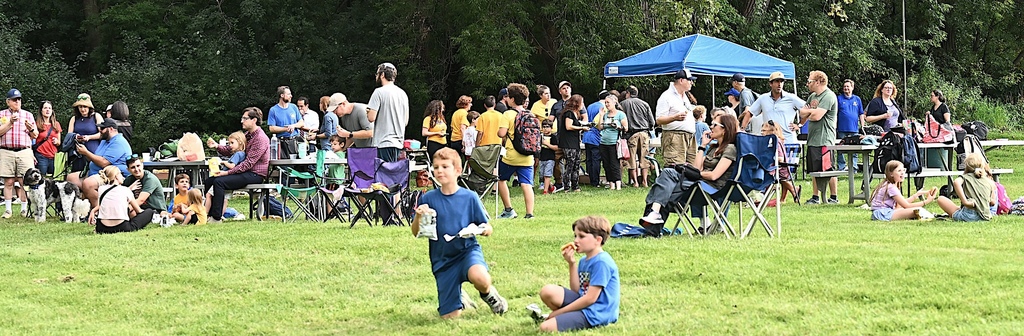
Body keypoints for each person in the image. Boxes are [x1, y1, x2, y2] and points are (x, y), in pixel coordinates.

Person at [411, 148, 508, 319]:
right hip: (442, 260)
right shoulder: (428, 199)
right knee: (450, 317)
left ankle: (489, 295)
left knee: (480, 278)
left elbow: (486, 225)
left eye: (444, 166)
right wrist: (419, 216)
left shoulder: (469, 197)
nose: (439, 170)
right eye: (436, 167)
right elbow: (416, 232)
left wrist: (485, 230)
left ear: (457, 170)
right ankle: (460, 296)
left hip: (467, 251)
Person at [640, 114, 740, 229]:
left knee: (665, 188)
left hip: (711, 187)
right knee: (668, 173)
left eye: (714, 124)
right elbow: (697, 168)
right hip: (700, 183)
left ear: (724, 129)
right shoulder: (713, 148)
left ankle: (654, 218)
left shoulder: (730, 149)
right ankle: (655, 212)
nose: (710, 127)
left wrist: (696, 174)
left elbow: (714, 176)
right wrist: (702, 146)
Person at [532, 215, 619, 332]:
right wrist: (572, 264)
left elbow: (590, 299)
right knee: (547, 291)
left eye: (581, 236)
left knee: (545, 328)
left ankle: (561, 318)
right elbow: (577, 290)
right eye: (575, 236)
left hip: (597, 313)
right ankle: (566, 317)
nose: (576, 240)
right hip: (585, 304)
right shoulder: (584, 260)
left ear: (598, 240)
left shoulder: (601, 262)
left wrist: (558, 313)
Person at [204, 107, 270, 222]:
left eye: (245, 118)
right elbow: (232, 149)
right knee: (210, 181)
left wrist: (227, 173)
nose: (241, 121)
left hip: (255, 175)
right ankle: (207, 214)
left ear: (254, 120)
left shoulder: (260, 138)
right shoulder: (247, 135)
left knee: (219, 181)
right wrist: (217, 146)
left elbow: (248, 164)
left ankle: (216, 217)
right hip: (244, 172)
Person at [67, 118, 132, 208]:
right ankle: (79, 209)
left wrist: (86, 152)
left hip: (111, 176)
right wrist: (82, 152)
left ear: (111, 129)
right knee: (71, 178)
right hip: (95, 172)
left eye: (102, 128)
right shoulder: (104, 141)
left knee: (88, 184)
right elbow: (94, 158)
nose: (100, 131)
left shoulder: (119, 142)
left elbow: (104, 163)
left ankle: (98, 211)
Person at [799, 71, 839, 205]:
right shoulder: (812, 97)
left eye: (809, 81)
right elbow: (802, 112)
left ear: (818, 82)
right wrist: (811, 111)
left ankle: (833, 197)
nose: (807, 84)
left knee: (828, 169)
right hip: (813, 139)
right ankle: (815, 197)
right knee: (814, 169)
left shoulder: (828, 96)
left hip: (825, 139)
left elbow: (816, 117)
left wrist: (810, 112)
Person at [497, 83, 536, 219]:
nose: (506, 99)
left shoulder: (507, 114)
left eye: (508, 96)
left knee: (501, 180)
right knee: (526, 184)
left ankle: (509, 210)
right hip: (527, 156)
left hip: (511, 156)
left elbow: (501, 133)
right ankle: (529, 214)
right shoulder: (529, 114)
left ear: (512, 99)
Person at [0, 88, 38, 218]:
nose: (17, 102)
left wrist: (31, 129)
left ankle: (24, 209)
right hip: (6, 150)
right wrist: (10, 122)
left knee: (25, 181)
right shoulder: (2, 115)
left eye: (19, 99)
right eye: (14, 100)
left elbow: (35, 135)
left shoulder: (28, 115)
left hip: (24, 151)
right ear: (8, 102)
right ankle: (8, 210)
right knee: (8, 181)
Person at [90, 165, 157, 234]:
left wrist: (93, 210)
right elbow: (139, 211)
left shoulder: (101, 189)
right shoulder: (126, 190)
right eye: (120, 174)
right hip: (122, 226)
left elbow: (102, 205)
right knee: (149, 212)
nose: (122, 176)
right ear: (116, 177)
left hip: (102, 227)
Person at [367, 63, 410, 162]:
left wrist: (368, 111)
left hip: (383, 142)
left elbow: (371, 118)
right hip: (399, 143)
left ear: (382, 75)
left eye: (377, 73)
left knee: (384, 175)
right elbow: (405, 121)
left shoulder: (378, 92)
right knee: (394, 175)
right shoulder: (403, 94)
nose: (376, 76)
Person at [747, 71, 806, 144]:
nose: (779, 84)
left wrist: (799, 125)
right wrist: (742, 130)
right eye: (777, 81)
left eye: (781, 82)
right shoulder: (763, 98)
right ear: (770, 84)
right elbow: (749, 113)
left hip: (787, 140)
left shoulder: (791, 98)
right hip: (768, 141)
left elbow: (808, 110)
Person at [935, 153, 997, 222]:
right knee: (958, 208)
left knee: (941, 199)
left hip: (968, 215)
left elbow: (956, 182)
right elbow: (993, 203)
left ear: (966, 166)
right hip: (985, 216)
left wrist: (965, 202)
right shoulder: (989, 182)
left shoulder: (965, 177)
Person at [869, 160, 937, 221]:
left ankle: (931, 216)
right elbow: (906, 206)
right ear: (891, 174)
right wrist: (927, 201)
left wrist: (916, 195)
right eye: (899, 171)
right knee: (918, 210)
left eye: (903, 170)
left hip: (882, 213)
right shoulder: (891, 187)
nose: (902, 173)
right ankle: (933, 217)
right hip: (883, 214)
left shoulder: (890, 184)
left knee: (913, 210)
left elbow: (901, 203)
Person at [656, 69, 698, 166]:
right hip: (675, 136)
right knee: (676, 168)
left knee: (691, 169)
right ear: (681, 80)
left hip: (690, 137)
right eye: (689, 80)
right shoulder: (666, 96)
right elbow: (659, 120)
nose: (692, 82)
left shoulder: (685, 96)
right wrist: (674, 118)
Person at [204, 131, 247, 216]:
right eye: (229, 143)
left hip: (227, 178)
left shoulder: (238, 154)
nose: (230, 145)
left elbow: (232, 166)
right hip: (232, 179)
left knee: (209, 194)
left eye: (232, 143)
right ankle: (220, 215)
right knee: (225, 199)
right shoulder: (242, 154)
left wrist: (222, 162)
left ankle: (205, 214)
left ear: (240, 142)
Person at [620, 86, 654, 188]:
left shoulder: (623, 104)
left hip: (631, 134)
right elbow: (651, 122)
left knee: (632, 159)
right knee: (644, 158)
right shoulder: (645, 104)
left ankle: (635, 182)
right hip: (644, 133)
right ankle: (644, 181)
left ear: (628, 93)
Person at [762, 120, 801, 207]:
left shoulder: (775, 141)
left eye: (764, 131)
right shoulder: (777, 140)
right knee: (781, 177)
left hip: (781, 168)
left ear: (772, 131)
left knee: (777, 175)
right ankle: (785, 197)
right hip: (783, 168)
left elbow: (780, 158)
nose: (762, 133)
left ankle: (794, 190)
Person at [596, 95, 627, 190]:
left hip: (614, 143)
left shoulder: (620, 114)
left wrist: (617, 127)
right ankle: (611, 184)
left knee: (614, 164)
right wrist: (601, 115)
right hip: (603, 142)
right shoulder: (605, 115)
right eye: (605, 102)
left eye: (608, 102)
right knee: (606, 164)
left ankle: (618, 184)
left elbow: (626, 128)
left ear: (615, 102)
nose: (606, 104)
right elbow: (600, 127)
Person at [558, 95, 589, 193]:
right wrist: (581, 128)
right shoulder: (569, 113)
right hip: (568, 142)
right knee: (570, 164)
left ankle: (575, 185)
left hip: (575, 142)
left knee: (577, 163)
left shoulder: (577, 114)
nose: (583, 105)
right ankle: (566, 186)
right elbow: (568, 126)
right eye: (581, 102)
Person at [68, 93, 104, 172]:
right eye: (80, 107)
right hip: (78, 153)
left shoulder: (96, 116)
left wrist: (89, 137)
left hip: (93, 151)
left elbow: (102, 134)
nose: (82, 109)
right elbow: (69, 135)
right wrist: (76, 137)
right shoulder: (74, 119)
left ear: (89, 107)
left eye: (85, 106)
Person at [267, 86, 304, 158]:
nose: (291, 96)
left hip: (294, 141)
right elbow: (271, 128)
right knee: (283, 166)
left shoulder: (293, 107)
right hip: (281, 143)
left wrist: (293, 126)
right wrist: (286, 129)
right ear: (282, 95)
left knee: (297, 166)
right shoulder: (273, 110)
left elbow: (301, 123)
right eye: (289, 94)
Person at [835, 79, 864, 171]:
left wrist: (862, 126)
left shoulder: (857, 99)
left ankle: (853, 167)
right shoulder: (838, 98)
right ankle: (841, 167)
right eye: (844, 87)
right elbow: (835, 113)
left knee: (854, 149)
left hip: (854, 128)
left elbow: (861, 113)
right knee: (841, 148)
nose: (846, 88)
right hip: (842, 128)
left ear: (852, 87)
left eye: (848, 86)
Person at [583, 91, 609, 187]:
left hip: (587, 135)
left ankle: (591, 178)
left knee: (589, 159)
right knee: (596, 159)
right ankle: (595, 181)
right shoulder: (604, 108)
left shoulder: (590, 106)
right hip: (596, 136)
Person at [33, 101, 63, 176]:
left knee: (54, 179)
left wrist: (57, 141)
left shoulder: (56, 124)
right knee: (41, 177)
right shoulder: (37, 124)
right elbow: (32, 139)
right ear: (41, 110)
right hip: (41, 155)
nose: (47, 110)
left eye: (49, 108)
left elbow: (59, 142)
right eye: (45, 108)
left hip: (53, 156)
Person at [539, 120, 558, 194]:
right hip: (542, 157)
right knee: (542, 175)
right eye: (543, 127)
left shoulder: (553, 137)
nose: (545, 129)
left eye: (547, 127)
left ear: (551, 128)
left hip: (550, 158)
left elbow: (556, 147)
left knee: (547, 174)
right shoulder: (540, 137)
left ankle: (545, 191)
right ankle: (551, 187)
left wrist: (547, 144)